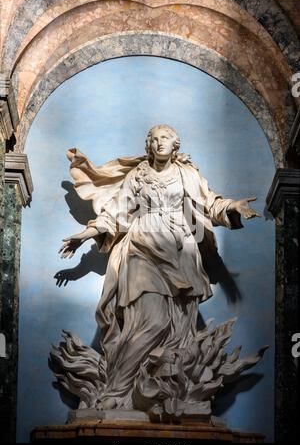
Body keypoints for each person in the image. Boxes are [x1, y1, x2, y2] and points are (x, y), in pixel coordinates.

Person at [59, 124, 261, 410]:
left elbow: (209, 202)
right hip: (141, 249)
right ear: (148, 146)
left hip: (180, 253)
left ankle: (161, 389)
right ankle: (117, 390)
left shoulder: (187, 174)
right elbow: (115, 214)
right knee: (151, 320)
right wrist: (84, 235)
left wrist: (232, 207)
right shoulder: (137, 176)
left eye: (165, 138)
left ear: (175, 144)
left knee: (177, 327)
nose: (159, 142)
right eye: (154, 139)